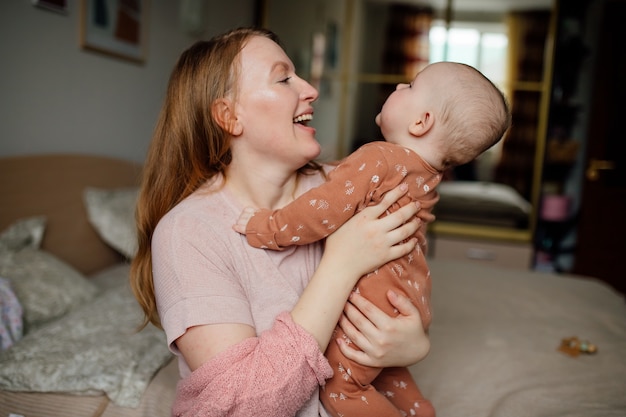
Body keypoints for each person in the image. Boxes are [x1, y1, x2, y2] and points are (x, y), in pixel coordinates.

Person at [130, 27, 432, 417]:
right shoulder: (189, 232)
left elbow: (402, 283)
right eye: (284, 78)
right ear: (229, 116)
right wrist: (341, 264)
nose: (311, 89)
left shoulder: (345, 188)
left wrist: (415, 344)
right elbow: (240, 407)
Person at [234, 61, 512, 417]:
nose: (398, 85)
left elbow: (320, 210)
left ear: (421, 122)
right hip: (408, 300)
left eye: (410, 86)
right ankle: (420, 411)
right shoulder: (426, 176)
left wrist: (267, 226)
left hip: (373, 303)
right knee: (390, 374)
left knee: (343, 388)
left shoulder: (378, 156)